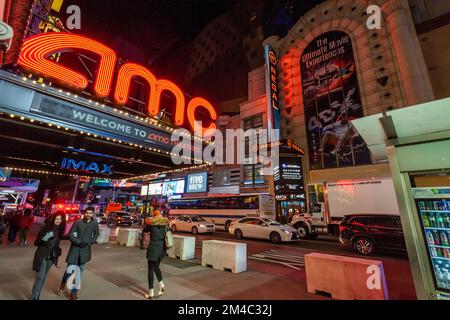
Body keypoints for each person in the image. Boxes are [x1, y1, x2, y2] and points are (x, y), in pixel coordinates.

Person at [57, 207, 99, 300]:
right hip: (75, 249)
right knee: (70, 270)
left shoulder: (94, 223)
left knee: (79, 272)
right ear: (84, 213)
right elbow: (70, 235)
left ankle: (74, 292)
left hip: (85, 250)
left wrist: (91, 241)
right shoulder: (78, 222)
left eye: (90, 213)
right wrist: (79, 242)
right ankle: (63, 283)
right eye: (87, 213)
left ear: (93, 214)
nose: (88, 214)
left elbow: (96, 234)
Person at [31, 212, 66, 300]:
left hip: (51, 257)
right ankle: (34, 297)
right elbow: (36, 242)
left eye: (60, 219)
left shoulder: (59, 230)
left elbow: (58, 243)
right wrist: (44, 238)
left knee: (44, 277)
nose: (58, 221)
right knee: (40, 277)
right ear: (53, 219)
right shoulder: (45, 229)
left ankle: (38, 294)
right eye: (57, 219)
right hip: (42, 255)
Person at [143, 209, 169, 299]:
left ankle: (151, 293)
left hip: (153, 248)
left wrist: (146, 221)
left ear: (154, 216)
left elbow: (145, 230)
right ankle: (161, 285)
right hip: (162, 249)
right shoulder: (165, 223)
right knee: (156, 267)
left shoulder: (152, 224)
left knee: (151, 269)